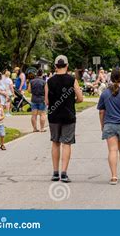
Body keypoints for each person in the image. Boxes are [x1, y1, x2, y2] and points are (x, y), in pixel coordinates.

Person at [46, 55, 83, 183]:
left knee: (55, 142)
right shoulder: (72, 80)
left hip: (54, 115)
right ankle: (64, 173)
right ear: (67, 66)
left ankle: (55, 173)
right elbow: (80, 98)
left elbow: (46, 100)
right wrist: (72, 101)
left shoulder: (49, 81)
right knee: (66, 143)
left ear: (55, 66)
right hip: (68, 115)